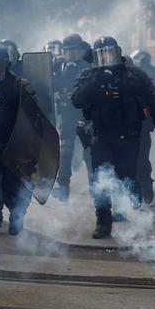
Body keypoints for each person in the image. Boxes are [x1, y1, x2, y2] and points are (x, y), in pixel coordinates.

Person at [71, 36, 155, 239]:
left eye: (110, 54)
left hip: (129, 136)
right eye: (101, 56)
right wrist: (97, 80)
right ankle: (103, 222)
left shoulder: (134, 76)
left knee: (126, 177)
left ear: (118, 53)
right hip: (101, 136)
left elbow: (153, 99)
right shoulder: (89, 76)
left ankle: (128, 202)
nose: (106, 60)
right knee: (102, 180)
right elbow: (77, 101)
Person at [0, 44, 36, 260]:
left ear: (6, 66)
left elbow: (32, 123)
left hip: (12, 149)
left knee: (13, 195)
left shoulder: (17, 87)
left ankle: (18, 213)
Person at [52, 33, 91, 201]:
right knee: (65, 152)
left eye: (74, 50)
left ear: (80, 50)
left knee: (89, 153)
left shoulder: (86, 66)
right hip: (67, 116)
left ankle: (96, 186)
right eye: (68, 50)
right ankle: (63, 187)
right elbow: (54, 85)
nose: (71, 53)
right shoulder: (59, 65)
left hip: (84, 115)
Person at [127, 50, 155, 205]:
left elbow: (153, 103)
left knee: (141, 162)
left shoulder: (140, 82)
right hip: (122, 130)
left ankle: (146, 185)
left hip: (141, 128)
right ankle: (133, 198)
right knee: (126, 165)